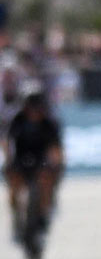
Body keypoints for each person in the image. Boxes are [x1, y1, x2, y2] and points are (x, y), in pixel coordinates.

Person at [4, 81, 63, 249]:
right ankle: (17, 219)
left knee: (45, 181)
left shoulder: (48, 122)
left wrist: (55, 167)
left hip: (41, 159)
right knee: (14, 186)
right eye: (31, 106)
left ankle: (43, 216)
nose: (34, 110)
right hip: (21, 158)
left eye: (37, 106)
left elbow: (56, 149)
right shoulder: (17, 120)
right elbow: (8, 142)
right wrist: (9, 161)